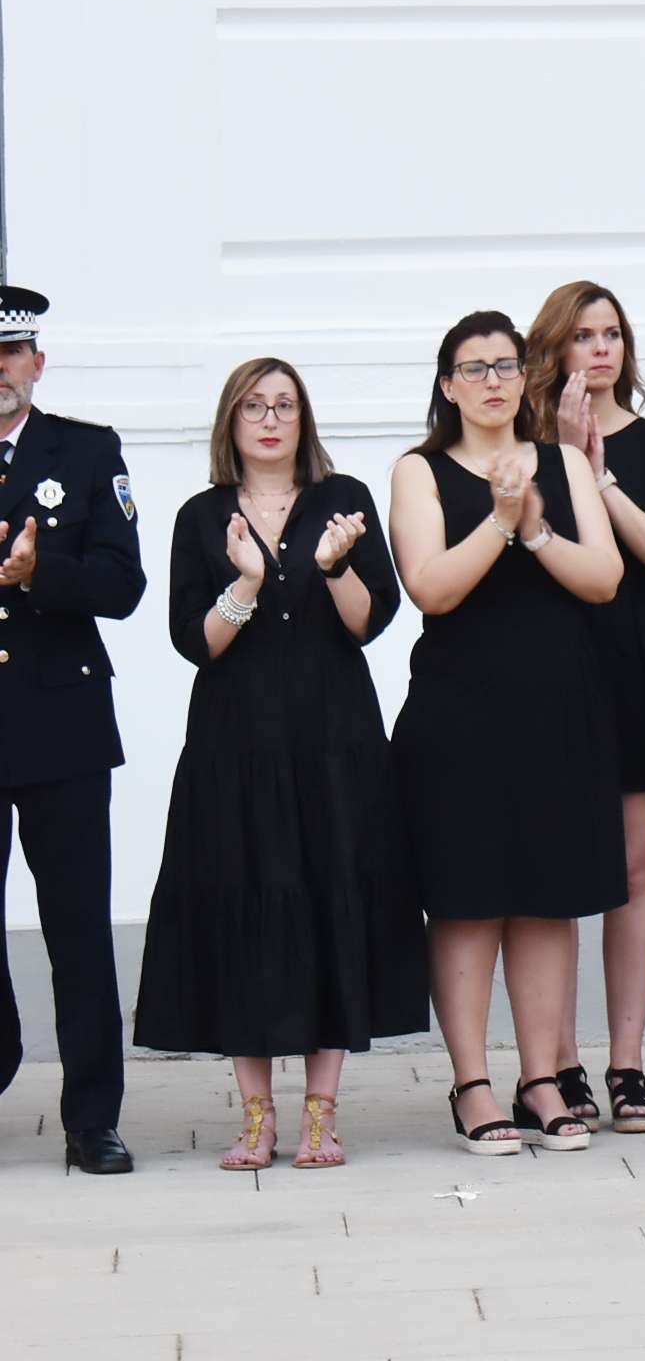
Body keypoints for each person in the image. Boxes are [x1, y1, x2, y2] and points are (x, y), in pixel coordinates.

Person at [135, 359, 427, 1169]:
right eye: (254, 406)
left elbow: (369, 624)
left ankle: (322, 1116)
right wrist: (246, 581)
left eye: (285, 405)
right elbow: (195, 642)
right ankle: (256, 1117)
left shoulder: (346, 501)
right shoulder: (201, 516)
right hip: (236, 743)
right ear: (231, 421)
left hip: (333, 738)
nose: (270, 419)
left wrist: (333, 568)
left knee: (333, 899)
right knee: (244, 904)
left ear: (305, 419)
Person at [387, 311, 626, 1157]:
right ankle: (473, 1082)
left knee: (547, 901)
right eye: (473, 366)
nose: (493, 379)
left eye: (505, 364)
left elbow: (605, 578)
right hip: (459, 716)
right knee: (466, 900)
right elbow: (430, 588)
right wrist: (495, 521)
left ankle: (539, 1080)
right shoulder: (418, 471)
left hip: (560, 711)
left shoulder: (563, 462)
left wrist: (535, 528)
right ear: (447, 384)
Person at [527, 279, 645, 1135]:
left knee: (633, 870)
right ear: (555, 349)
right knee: (561, 869)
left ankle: (628, 1062)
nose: (601, 348)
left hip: (634, 654)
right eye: (583, 335)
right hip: (554, 659)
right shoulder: (522, 444)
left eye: (612, 334)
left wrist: (599, 478)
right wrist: (561, 453)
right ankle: (557, 1064)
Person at [0, 283, 147, 1174]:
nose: (0, 370)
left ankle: (93, 1118)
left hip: (61, 721)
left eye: (11, 353)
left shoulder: (86, 451)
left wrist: (35, 570)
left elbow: (121, 586)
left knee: (78, 929)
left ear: (37, 363)